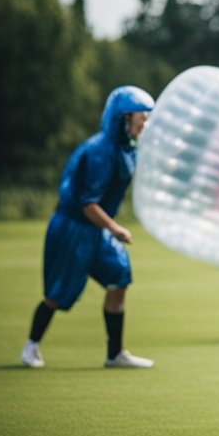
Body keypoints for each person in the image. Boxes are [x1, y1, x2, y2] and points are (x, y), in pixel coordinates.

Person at [22, 85, 156, 369]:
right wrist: (116, 228)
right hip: (74, 228)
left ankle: (115, 353)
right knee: (58, 293)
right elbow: (87, 203)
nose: (144, 123)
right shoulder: (100, 151)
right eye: (140, 117)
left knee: (119, 276)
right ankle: (30, 346)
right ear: (122, 119)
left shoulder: (125, 148)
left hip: (97, 229)